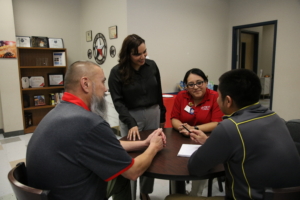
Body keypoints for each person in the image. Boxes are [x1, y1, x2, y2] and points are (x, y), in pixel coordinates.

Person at [26, 61, 167, 200]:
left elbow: (107, 145)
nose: (105, 89)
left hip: (53, 192)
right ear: (85, 84)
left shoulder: (59, 111)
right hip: (73, 194)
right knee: (123, 173)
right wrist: (154, 146)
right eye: (102, 82)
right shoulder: (89, 123)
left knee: (118, 170)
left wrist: (144, 143)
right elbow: (133, 172)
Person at [165, 69, 300, 200]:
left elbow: (195, 168)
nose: (217, 100)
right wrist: (209, 141)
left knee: (172, 198)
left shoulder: (230, 127)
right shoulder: (276, 118)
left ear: (228, 101)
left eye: (219, 96)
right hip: (287, 195)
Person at [108, 34, 166, 200]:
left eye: (145, 52)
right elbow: (118, 102)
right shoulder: (117, 72)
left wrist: (162, 114)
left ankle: (145, 191)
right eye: (138, 54)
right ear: (128, 54)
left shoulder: (152, 66)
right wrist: (131, 122)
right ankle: (130, 194)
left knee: (153, 151)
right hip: (131, 117)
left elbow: (159, 92)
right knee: (131, 156)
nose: (143, 56)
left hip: (153, 113)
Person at [170, 68, 224, 196]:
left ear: (206, 82)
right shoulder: (181, 96)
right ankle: (176, 194)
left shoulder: (215, 96)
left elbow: (216, 123)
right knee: (173, 165)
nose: (196, 87)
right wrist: (182, 128)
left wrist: (194, 129)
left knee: (201, 164)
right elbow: (174, 118)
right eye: (191, 84)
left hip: (205, 140)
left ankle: (194, 195)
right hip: (182, 139)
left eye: (199, 82)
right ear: (186, 86)